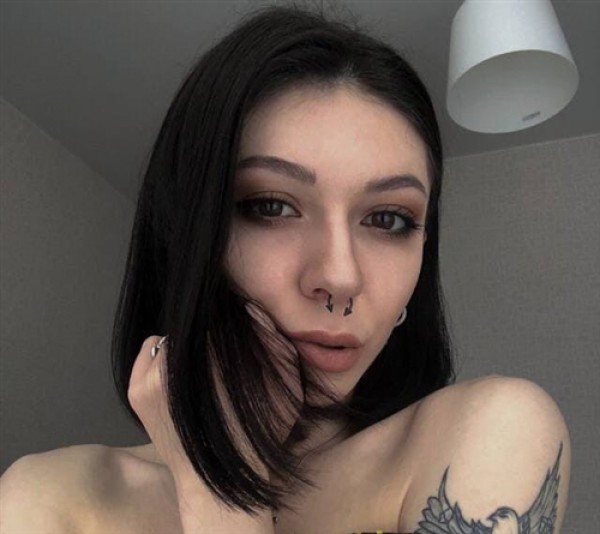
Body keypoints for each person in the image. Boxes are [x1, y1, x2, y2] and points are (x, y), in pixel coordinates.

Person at [0, 4, 571, 534]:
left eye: (389, 219)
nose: (341, 277)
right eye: (271, 206)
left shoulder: (494, 434)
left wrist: (221, 489)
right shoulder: (55, 497)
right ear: (188, 232)